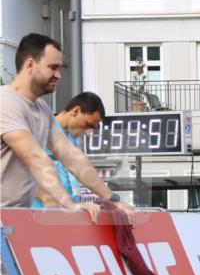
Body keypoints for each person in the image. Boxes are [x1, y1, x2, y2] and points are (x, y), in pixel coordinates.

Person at [2, 33, 132, 223]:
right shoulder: (5, 102)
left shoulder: (42, 109)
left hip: (15, 220)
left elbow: (72, 156)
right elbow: (35, 158)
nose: (59, 75)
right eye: (53, 68)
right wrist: (70, 206)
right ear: (30, 65)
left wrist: (111, 200)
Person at [32, 92, 107, 207]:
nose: (88, 133)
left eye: (93, 128)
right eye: (88, 124)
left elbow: (70, 181)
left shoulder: (72, 139)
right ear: (76, 111)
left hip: (62, 212)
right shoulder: (41, 128)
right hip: (37, 212)